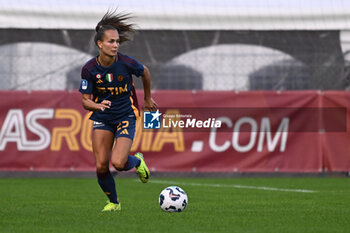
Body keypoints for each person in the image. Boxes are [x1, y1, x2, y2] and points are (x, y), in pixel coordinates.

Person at [79, 10, 158, 212]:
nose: (115, 45)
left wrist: (147, 98)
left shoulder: (126, 63)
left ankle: (137, 161)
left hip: (125, 115)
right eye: (111, 42)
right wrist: (97, 106)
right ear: (100, 44)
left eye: (117, 42)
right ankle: (113, 203)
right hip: (103, 118)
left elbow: (145, 72)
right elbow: (85, 102)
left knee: (119, 163)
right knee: (101, 166)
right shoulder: (89, 69)